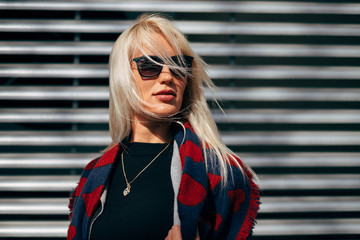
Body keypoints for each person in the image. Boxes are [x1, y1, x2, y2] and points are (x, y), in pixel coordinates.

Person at [67, 13, 260, 240]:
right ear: (123, 77)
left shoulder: (219, 172)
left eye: (179, 66)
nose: (168, 76)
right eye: (150, 65)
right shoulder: (93, 176)